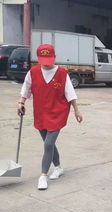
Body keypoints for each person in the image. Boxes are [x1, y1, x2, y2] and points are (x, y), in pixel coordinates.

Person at [17, 44, 83, 190]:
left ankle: (43, 176)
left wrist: (76, 111)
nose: (46, 63)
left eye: (49, 59)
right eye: (43, 59)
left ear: (54, 57)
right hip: (40, 113)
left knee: (47, 144)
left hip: (58, 113)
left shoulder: (62, 73)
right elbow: (26, 89)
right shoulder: (33, 72)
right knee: (49, 143)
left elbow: (70, 94)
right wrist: (21, 102)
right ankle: (58, 167)